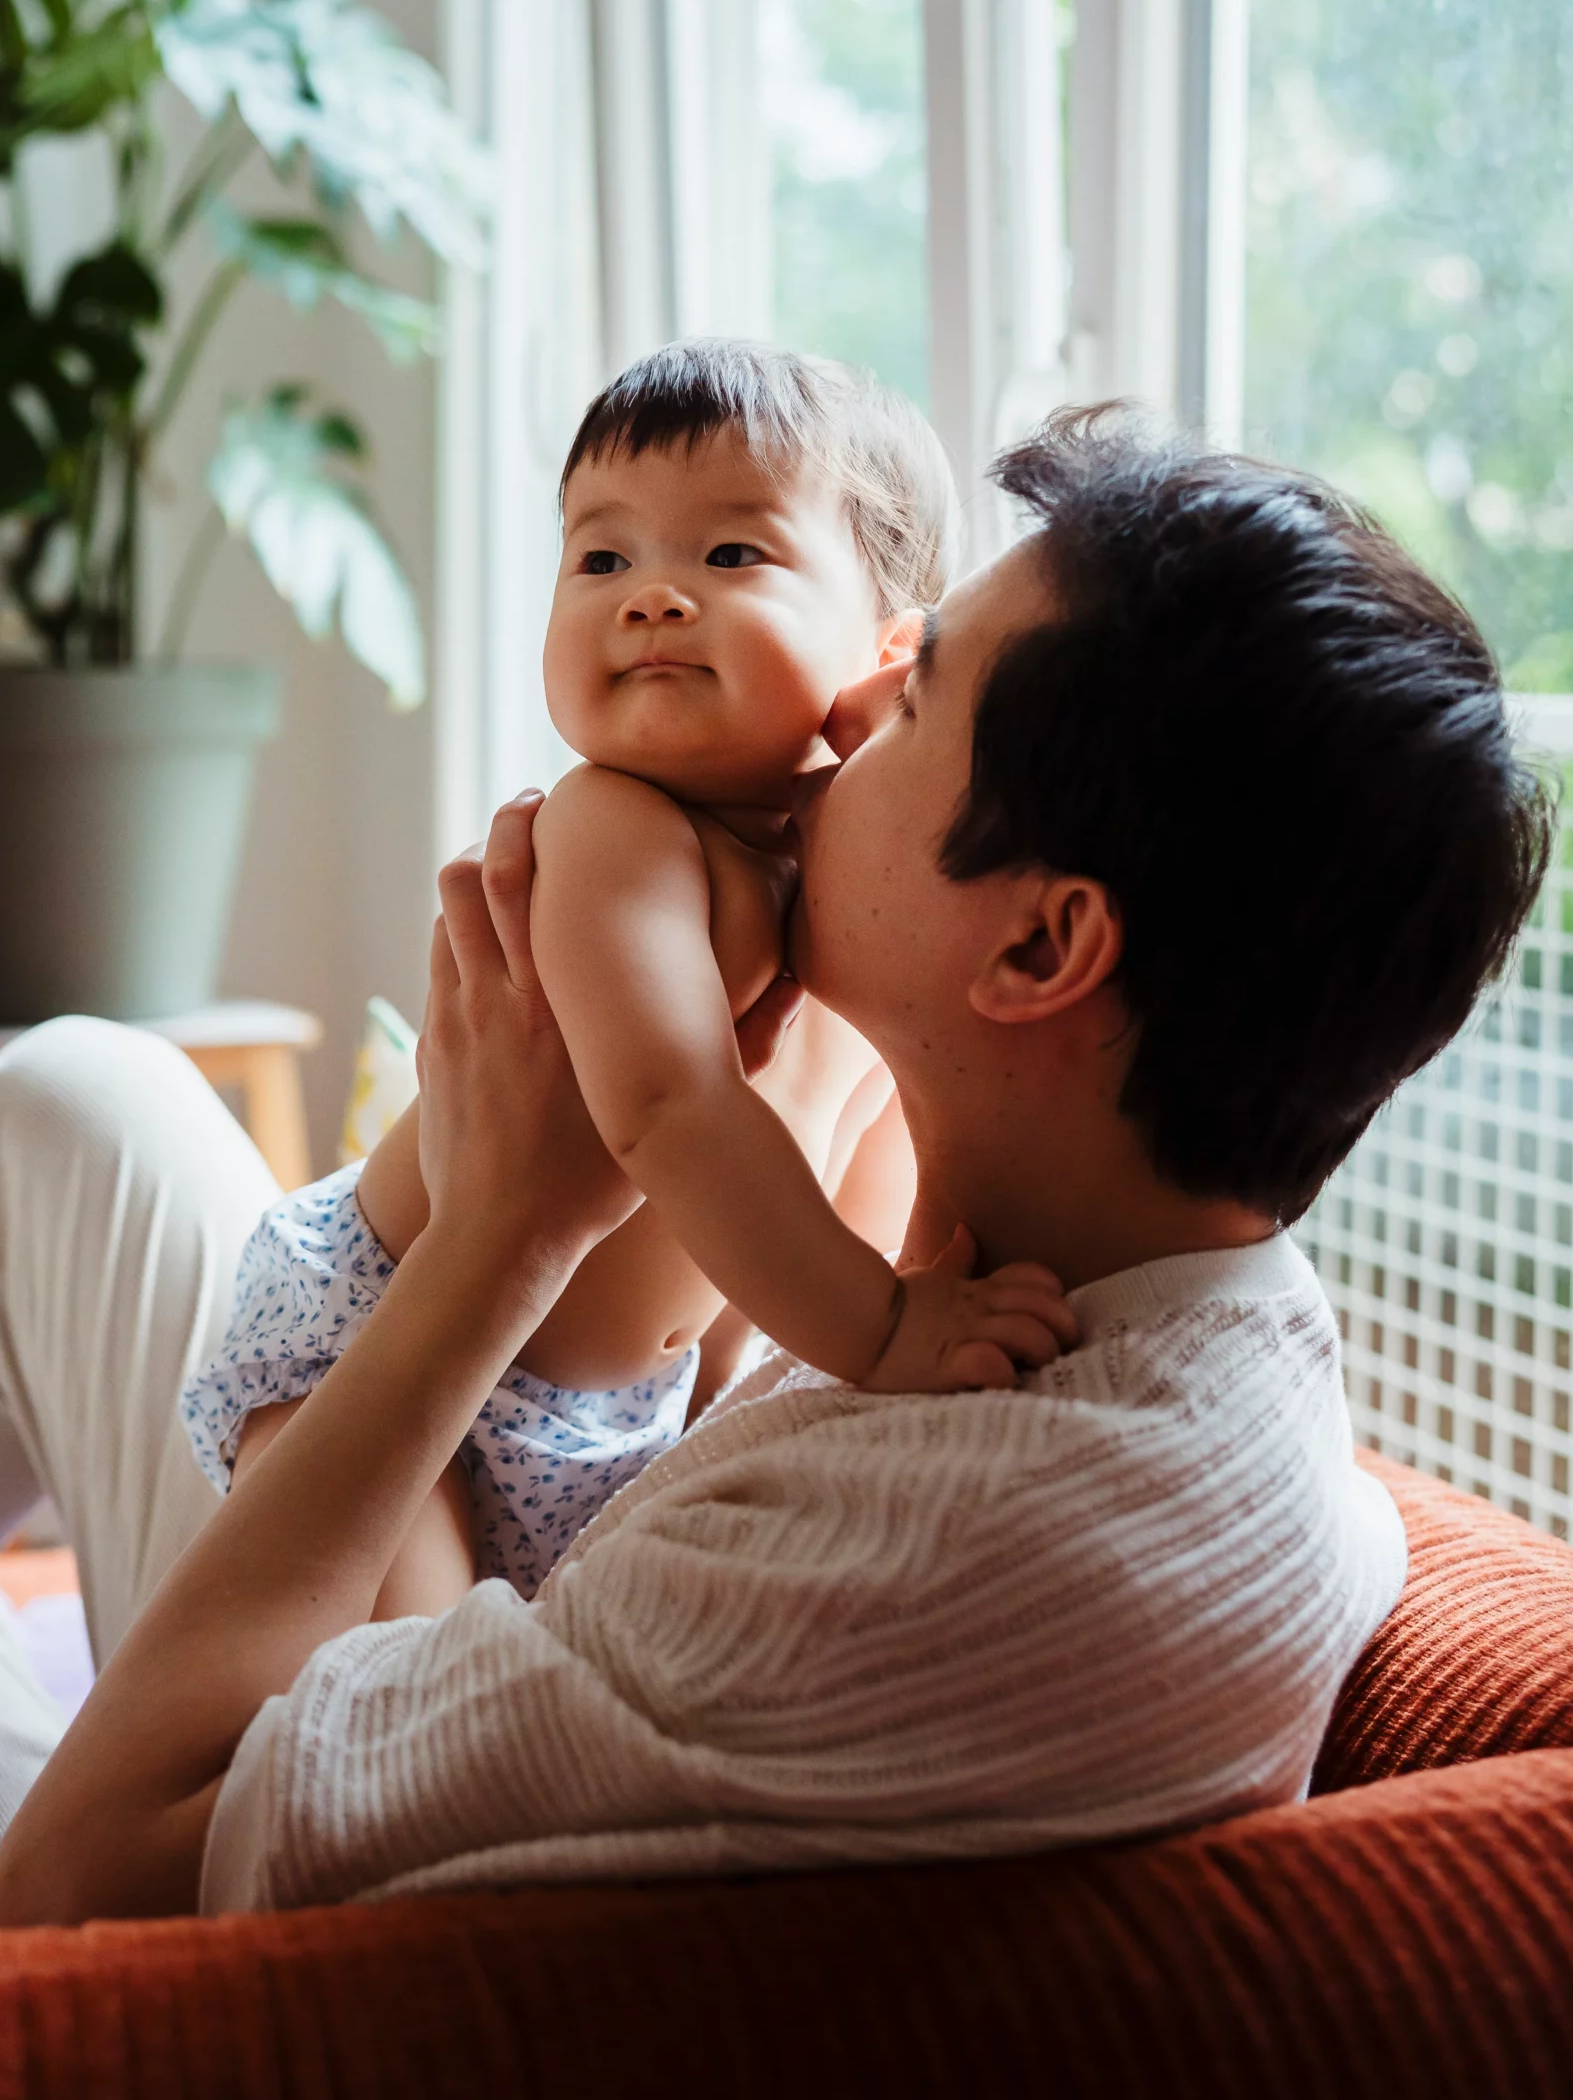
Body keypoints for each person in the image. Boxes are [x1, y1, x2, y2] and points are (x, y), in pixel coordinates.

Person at [0, 409, 1551, 1937]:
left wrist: (503, 1235)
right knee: (70, 1095)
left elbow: (76, 1899)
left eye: (918, 693)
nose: (842, 704)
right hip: (368, 1672)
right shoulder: (1178, 1315)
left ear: (1042, 942)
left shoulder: (915, 1576)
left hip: (69, 1925)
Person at [181, 343, 1077, 1623]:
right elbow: (667, 1109)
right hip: (396, 1358)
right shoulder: (617, 832)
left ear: (886, 649)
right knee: (386, 1705)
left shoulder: (865, 895)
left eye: (730, 557)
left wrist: (903, 1313)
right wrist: (881, 1326)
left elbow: (852, 1155)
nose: (650, 598)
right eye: (603, 559)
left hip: (626, 1424)